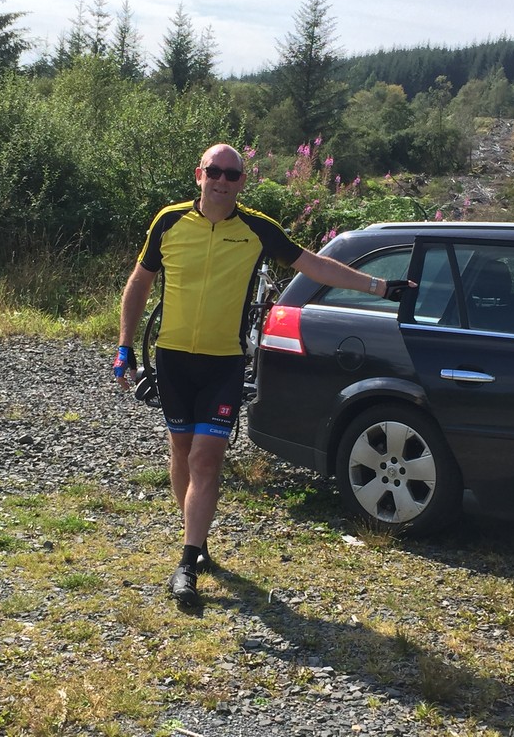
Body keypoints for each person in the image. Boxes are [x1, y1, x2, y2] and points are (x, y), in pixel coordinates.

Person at [114, 143, 413, 607]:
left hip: (224, 362)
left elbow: (313, 264)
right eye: (215, 171)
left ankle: (187, 562)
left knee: (206, 459)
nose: (222, 181)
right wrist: (124, 346)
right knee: (182, 450)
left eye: (232, 175)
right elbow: (140, 282)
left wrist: (379, 286)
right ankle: (197, 535)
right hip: (173, 358)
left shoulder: (257, 229)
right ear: (199, 174)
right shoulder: (169, 221)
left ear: (242, 182)